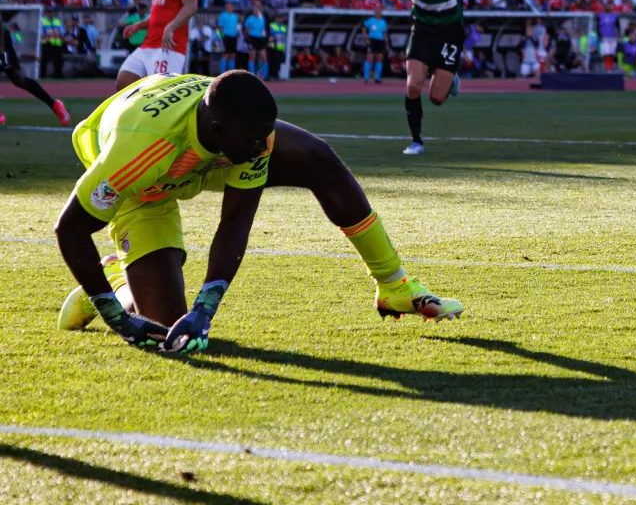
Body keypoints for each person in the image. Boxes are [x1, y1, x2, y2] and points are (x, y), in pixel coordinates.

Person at [54, 70, 464, 352]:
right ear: (219, 130)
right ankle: (113, 285)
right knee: (166, 329)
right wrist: (115, 316)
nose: (263, 146)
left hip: (200, 149)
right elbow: (70, 229)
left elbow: (235, 222)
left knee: (317, 157)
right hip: (146, 186)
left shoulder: (242, 134)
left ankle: (394, 284)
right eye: (255, 139)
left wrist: (206, 309)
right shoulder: (135, 153)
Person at [308, 0, 536, 157]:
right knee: (413, 85)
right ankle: (416, 140)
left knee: (437, 98)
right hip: (423, 27)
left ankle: (450, 77)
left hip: (450, 30)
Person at [0, 18, 67, 125]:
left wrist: (1, 50)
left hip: (2, 40)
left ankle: (55, 105)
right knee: (18, 79)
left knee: (19, 79)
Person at [243, 0, 270, 80]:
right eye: (255, 7)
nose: (256, 9)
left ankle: (265, 76)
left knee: (264, 57)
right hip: (252, 39)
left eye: (257, 7)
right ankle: (252, 76)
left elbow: (264, 29)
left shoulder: (263, 19)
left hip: (260, 39)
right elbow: (246, 31)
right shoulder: (249, 19)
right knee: (252, 57)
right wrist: (248, 39)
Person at [362, 7, 389, 83]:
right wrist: (366, 38)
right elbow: (364, 29)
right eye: (376, 11)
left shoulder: (383, 22)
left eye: (379, 11)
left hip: (380, 41)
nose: (377, 13)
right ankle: (366, 78)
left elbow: (385, 33)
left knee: (379, 58)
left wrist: (386, 43)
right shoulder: (370, 20)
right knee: (369, 58)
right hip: (372, 40)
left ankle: (377, 78)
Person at [214, 2, 241, 73]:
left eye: (230, 5)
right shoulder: (223, 15)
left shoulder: (235, 16)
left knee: (232, 55)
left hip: (233, 37)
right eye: (227, 5)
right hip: (225, 37)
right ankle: (222, 73)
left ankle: (231, 73)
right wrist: (221, 38)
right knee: (225, 55)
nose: (228, 6)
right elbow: (219, 28)